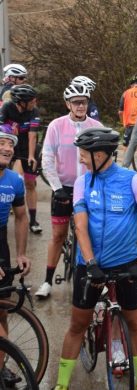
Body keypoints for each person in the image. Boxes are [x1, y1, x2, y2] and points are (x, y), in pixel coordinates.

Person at [53, 127, 137, 390]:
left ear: (100, 154)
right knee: (78, 325)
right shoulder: (81, 182)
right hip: (89, 265)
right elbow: (79, 226)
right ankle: (62, 384)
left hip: (126, 265)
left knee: (134, 322)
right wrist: (90, 263)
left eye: (83, 154)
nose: (80, 159)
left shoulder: (132, 181)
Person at [34, 84, 102, 299]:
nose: (81, 106)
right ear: (68, 104)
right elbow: (47, 158)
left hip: (88, 187)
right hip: (63, 188)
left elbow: (104, 158)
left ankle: (93, 273)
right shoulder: (56, 125)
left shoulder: (96, 125)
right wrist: (56, 188)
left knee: (92, 232)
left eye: (84, 101)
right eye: (76, 102)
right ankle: (47, 281)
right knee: (58, 236)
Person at [0, 131, 31, 386]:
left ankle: (1, 365)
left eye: (10, 144)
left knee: (2, 310)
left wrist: (21, 252)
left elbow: (21, 217)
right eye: (1, 143)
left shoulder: (15, 181)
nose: (7, 147)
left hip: (1, 244)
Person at [0, 84, 42, 233]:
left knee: (30, 184)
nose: (34, 103)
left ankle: (33, 220)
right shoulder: (7, 107)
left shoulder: (34, 111)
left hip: (27, 148)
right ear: (21, 102)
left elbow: (32, 135)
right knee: (14, 178)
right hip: (10, 146)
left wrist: (31, 156)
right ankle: (11, 211)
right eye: (31, 101)